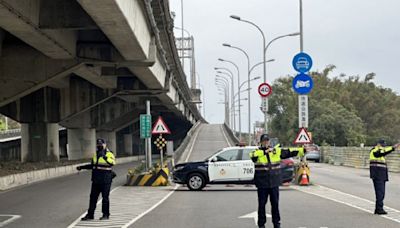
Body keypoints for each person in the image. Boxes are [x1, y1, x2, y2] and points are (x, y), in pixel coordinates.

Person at [250, 134, 305, 228]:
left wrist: (302, 150)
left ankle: (277, 224)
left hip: (274, 183)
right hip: (262, 184)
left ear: (269, 142)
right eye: (264, 141)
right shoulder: (256, 152)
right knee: (262, 205)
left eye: (267, 141)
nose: (266, 142)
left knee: (275, 204)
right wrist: (265, 152)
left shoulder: (275, 151)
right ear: (261, 142)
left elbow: (289, 152)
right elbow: (253, 157)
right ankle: (261, 224)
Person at [77, 138, 116, 220]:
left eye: (101, 144)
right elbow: (93, 165)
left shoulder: (109, 154)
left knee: (105, 198)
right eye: (98, 145)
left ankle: (106, 215)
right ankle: (90, 215)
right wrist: (82, 167)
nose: (100, 146)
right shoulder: (96, 154)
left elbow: (112, 163)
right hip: (96, 180)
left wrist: (104, 157)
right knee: (93, 198)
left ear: (105, 145)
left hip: (106, 180)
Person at [369, 139, 399, 215]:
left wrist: (393, 148)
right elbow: (382, 152)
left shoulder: (378, 152)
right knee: (380, 193)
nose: (383, 147)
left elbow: (383, 152)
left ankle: (378, 209)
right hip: (378, 175)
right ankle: (379, 209)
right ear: (378, 144)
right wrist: (393, 148)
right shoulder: (375, 151)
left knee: (380, 193)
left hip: (380, 175)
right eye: (382, 145)